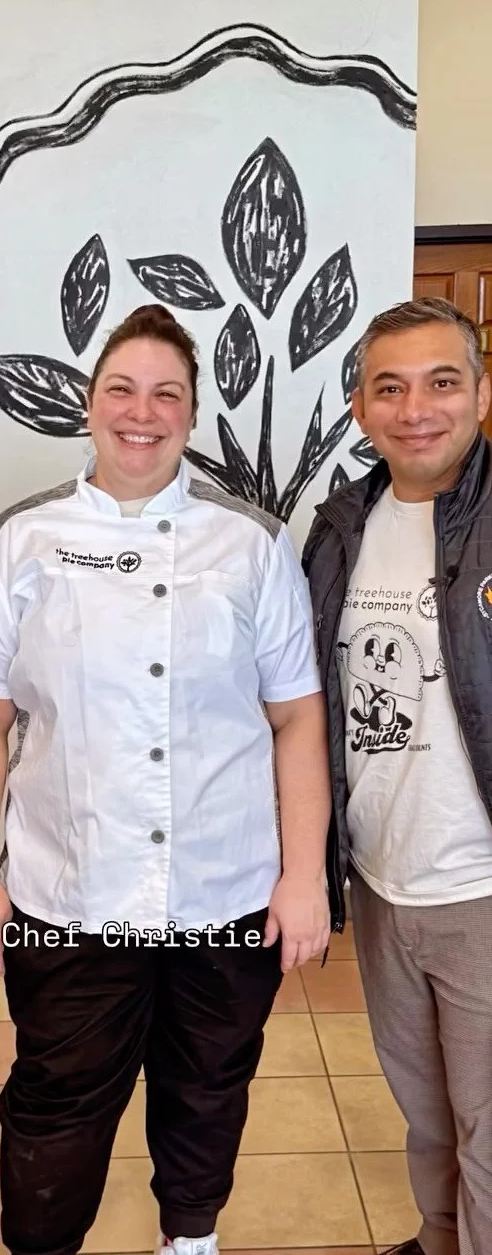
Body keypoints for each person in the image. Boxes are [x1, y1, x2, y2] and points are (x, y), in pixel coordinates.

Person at [0, 303, 333, 1255]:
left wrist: (303, 875)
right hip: (69, 890)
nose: (141, 412)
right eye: (121, 389)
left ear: (191, 414)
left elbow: (296, 717)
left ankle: (189, 1240)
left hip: (226, 886)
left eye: (166, 394)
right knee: (56, 1099)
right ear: (90, 403)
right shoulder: (22, 539)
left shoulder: (252, 543)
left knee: (210, 1084)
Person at [302, 296, 492, 1255]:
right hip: (381, 882)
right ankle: (439, 1236)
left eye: (442, 382)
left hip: (481, 889)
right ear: (361, 407)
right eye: (390, 388)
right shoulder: (340, 526)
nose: (416, 409)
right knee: (426, 1110)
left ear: (481, 394)